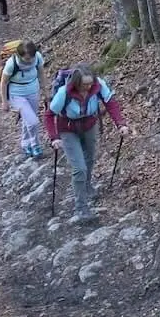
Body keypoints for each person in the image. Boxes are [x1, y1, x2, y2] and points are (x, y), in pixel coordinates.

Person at [45, 67, 130, 221]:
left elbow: (110, 103)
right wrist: (54, 137)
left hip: (89, 125)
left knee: (90, 159)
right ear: (77, 83)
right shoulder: (64, 92)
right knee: (79, 168)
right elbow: (50, 115)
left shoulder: (99, 85)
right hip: (68, 129)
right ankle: (81, 207)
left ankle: (87, 186)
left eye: (90, 83)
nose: (88, 87)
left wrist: (120, 124)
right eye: (85, 84)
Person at [0, 40, 47, 159]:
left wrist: (46, 92)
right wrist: (4, 102)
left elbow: (41, 74)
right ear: (19, 55)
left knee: (29, 119)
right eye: (27, 59)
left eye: (31, 57)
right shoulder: (12, 63)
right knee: (33, 121)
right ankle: (35, 145)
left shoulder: (37, 57)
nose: (30, 61)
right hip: (16, 95)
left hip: (33, 91)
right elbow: (4, 83)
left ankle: (26, 144)